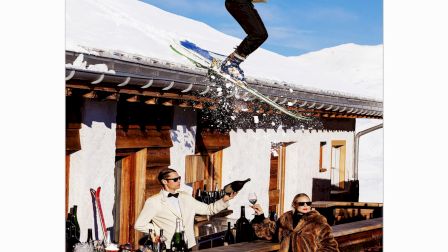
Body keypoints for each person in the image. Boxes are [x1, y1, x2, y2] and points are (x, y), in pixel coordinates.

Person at [134, 168, 237, 251]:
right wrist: (159, 230)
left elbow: (209, 209)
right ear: (164, 181)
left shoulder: (185, 197)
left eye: (179, 178)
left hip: (190, 245)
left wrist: (224, 200)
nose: (179, 181)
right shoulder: (153, 202)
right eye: (175, 179)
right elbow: (139, 224)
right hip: (169, 246)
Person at [250, 193, 339, 252]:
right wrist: (261, 215)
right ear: (294, 204)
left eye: (308, 203)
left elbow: (330, 247)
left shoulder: (318, 222)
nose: (305, 205)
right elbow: (271, 231)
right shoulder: (285, 219)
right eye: (301, 203)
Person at [220, 0, 269, 81]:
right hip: (238, 2)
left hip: (243, 3)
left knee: (261, 34)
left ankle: (232, 62)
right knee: (259, 34)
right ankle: (230, 64)